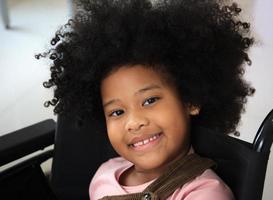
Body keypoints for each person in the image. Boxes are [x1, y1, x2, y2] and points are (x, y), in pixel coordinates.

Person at [39, 0, 255, 199]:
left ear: (190, 99)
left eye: (150, 100)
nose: (134, 122)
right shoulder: (105, 174)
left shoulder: (204, 193)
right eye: (117, 112)